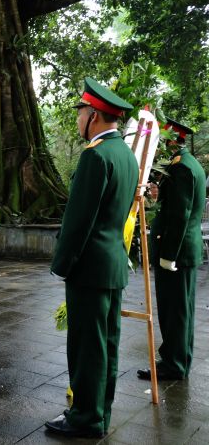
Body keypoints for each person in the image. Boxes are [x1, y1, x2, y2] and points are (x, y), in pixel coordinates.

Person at [45, 78, 137, 439]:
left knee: (86, 345)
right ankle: (99, 412)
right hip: (112, 264)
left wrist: (62, 264)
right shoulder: (125, 154)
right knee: (106, 345)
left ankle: (85, 417)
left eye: (81, 113)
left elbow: (78, 221)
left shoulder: (95, 155)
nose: (79, 120)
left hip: (89, 268)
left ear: (94, 116)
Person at [137, 119, 205, 382]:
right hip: (182, 251)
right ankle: (178, 359)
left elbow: (179, 216)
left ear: (170, 141)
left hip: (176, 252)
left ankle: (174, 364)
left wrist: (168, 256)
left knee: (174, 310)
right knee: (180, 309)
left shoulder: (182, 168)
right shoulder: (184, 164)